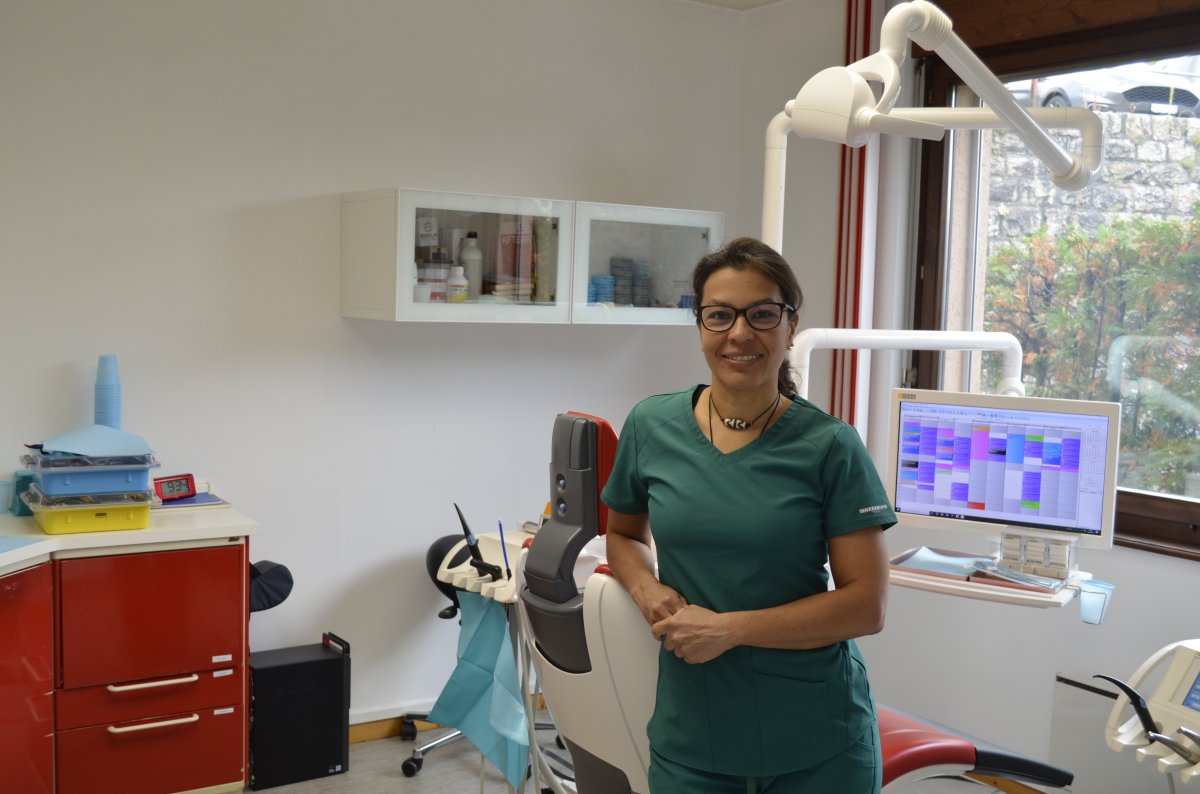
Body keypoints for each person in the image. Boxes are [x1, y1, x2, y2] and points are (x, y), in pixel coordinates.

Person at [601, 237, 896, 793]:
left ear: (791, 326)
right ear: (700, 326)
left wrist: (730, 630)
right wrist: (646, 588)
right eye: (720, 315)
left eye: (762, 314)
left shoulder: (831, 446)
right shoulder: (651, 426)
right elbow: (622, 535)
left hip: (818, 739)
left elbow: (867, 604)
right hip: (694, 734)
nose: (740, 333)